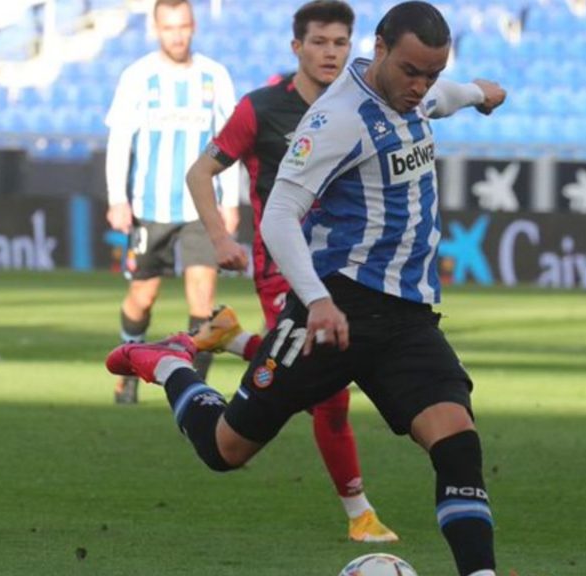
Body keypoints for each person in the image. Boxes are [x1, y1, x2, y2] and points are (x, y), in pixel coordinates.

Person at [107, 2, 506, 574]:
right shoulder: (336, 119)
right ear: (383, 49)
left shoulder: (413, 96)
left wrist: (478, 92)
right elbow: (278, 216)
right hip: (336, 310)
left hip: (408, 319)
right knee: (227, 449)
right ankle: (171, 364)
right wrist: (317, 300)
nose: (420, 86)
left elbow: (441, 102)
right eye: (412, 71)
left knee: (458, 444)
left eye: (431, 74)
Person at [186, 0, 405, 543]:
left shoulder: (364, 107)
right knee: (329, 393)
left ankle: (235, 340)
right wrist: (220, 238)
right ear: (297, 48)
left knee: (322, 371)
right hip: (285, 272)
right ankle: (359, 514)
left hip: (346, 271)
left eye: (339, 43)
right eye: (319, 42)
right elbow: (200, 172)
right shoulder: (260, 109)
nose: (330, 53)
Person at [104, 0, 239, 404]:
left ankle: (192, 391)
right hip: (150, 205)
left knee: (202, 297)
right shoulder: (138, 76)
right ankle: (130, 364)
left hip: (203, 209)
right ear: (156, 29)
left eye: (182, 26)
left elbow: (229, 143)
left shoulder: (214, 76)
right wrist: (117, 198)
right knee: (142, 297)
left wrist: (229, 201)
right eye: (168, 27)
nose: (176, 35)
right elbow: (119, 140)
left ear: (193, 26)